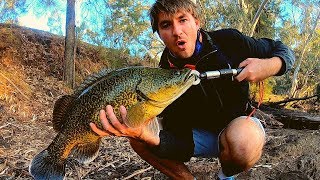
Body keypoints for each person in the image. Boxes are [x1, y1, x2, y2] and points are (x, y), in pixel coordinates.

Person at [89, 0, 295, 179]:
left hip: (236, 128)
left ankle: (225, 176)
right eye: (166, 25)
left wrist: (271, 65)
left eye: (183, 19)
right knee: (138, 140)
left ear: (197, 21)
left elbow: (283, 50)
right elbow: (180, 140)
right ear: (159, 34)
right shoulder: (162, 76)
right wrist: (147, 136)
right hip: (197, 138)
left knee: (243, 143)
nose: (177, 31)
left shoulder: (230, 41)